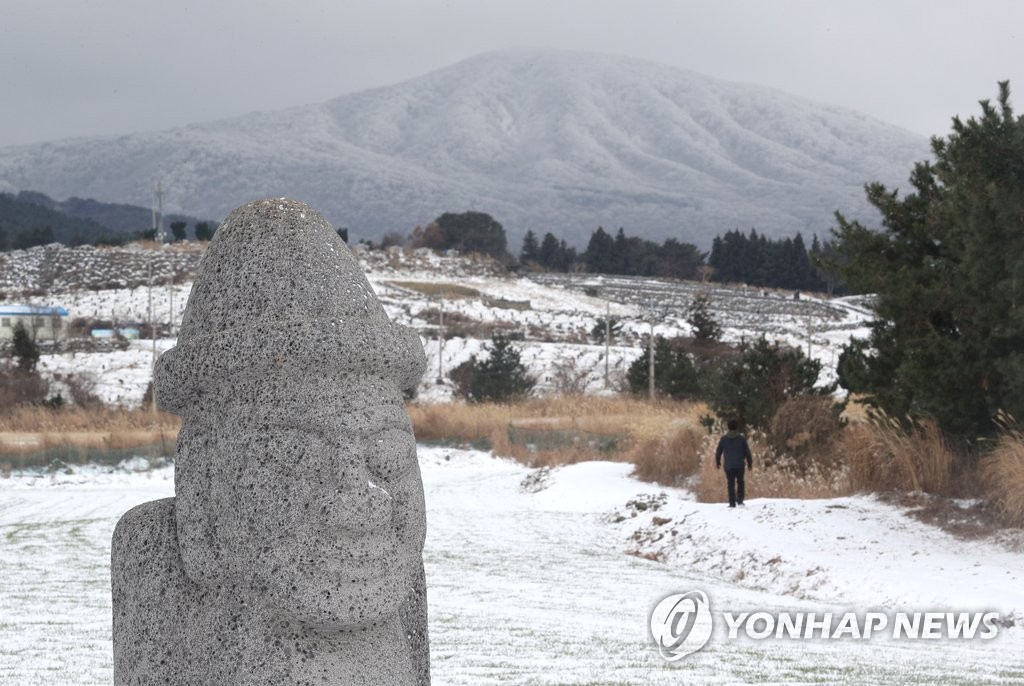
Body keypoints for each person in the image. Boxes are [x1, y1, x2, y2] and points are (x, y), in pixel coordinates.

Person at [715, 419, 753, 507]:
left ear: (728, 427)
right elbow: (747, 452)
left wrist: (718, 462)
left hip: (728, 466)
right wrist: (749, 463)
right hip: (740, 465)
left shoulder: (723, 439)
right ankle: (740, 501)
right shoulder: (741, 439)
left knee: (730, 483)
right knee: (740, 482)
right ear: (737, 427)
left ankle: (732, 503)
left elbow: (718, 452)